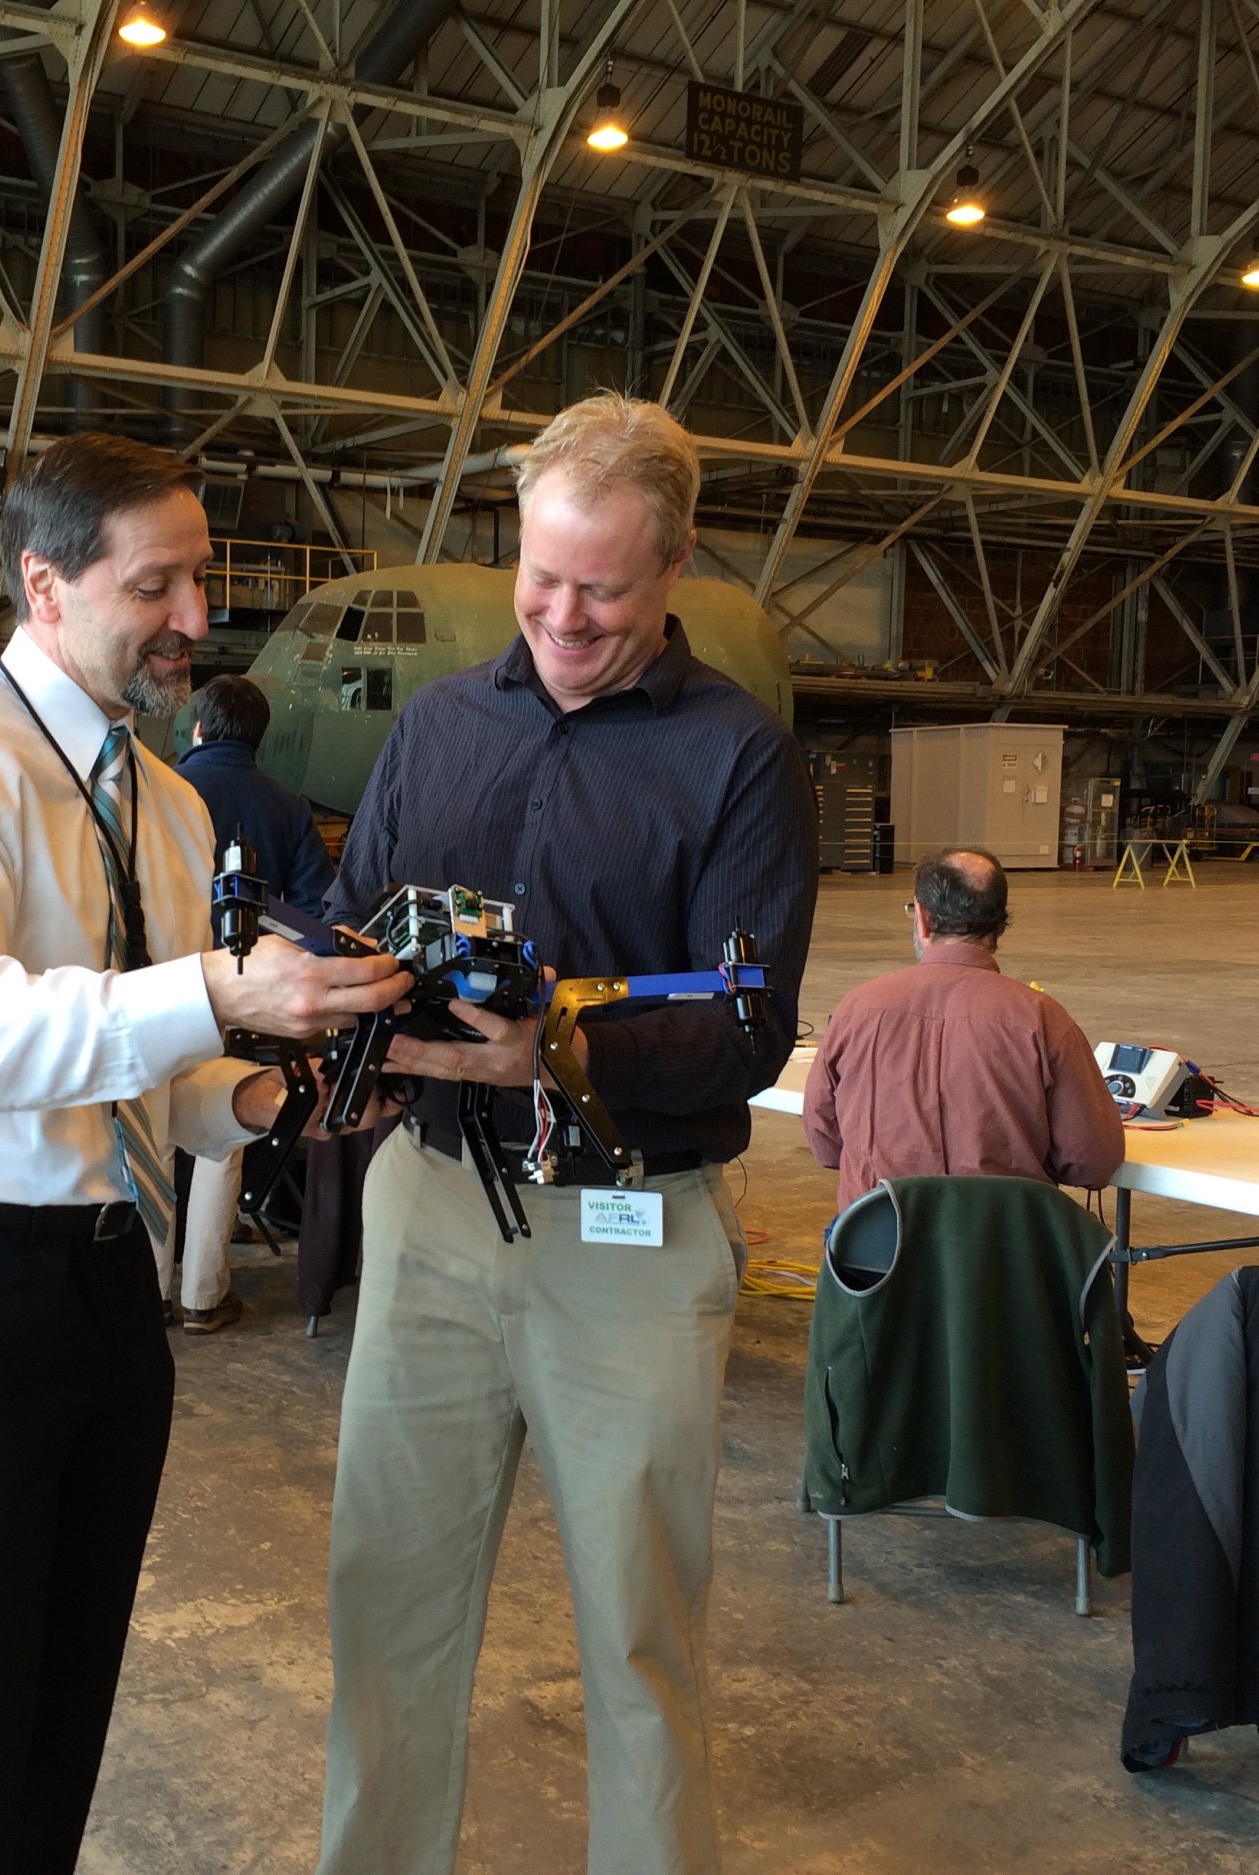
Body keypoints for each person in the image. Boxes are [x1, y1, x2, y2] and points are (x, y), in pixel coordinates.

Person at [0, 431, 410, 1875]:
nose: (195, 618)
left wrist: (272, 1104)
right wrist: (216, 993)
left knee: (55, 1732)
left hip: (102, 1294)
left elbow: (144, 1085)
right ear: (44, 586)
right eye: (157, 583)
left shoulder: (168, 803)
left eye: (200, 579)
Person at [318, 392, 818, 1875]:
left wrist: (566, 1043)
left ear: (672, 576)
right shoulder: (439, 725)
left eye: (602, 587)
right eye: (544, 575)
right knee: (385, 1587)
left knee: (639, 1614)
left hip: (633, 1226)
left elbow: (752, 1023)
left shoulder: (738, 758)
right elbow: (366, 915)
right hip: (432, 1200)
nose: (564, 613)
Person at [802, 846, 1125, 1210]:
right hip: (1001, 1253)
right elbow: (1092, 1163)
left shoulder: (856, 1010)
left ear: (922, 917)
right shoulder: (1043, 1019)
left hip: (877, 1254)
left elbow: (826, 1145)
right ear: (1001, 922)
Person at [169, 673, 338, 1332]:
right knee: (223, 1133)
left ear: (199, 729)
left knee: (146, 1117)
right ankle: (202, 1296)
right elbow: (315, 907)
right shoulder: (288, 805)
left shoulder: (160, 790)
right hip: (245, 998)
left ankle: (148, 1285)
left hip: (164, 981)